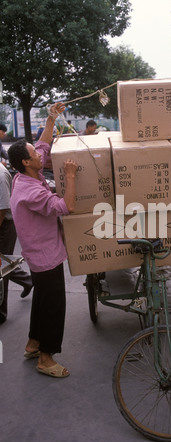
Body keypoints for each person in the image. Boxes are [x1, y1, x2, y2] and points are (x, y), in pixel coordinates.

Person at [8, 102, 78, 377]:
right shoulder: (31, 192)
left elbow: (44, 143)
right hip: (45, 256)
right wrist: (70, 176)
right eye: (32, 154)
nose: (39, 153)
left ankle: (33, 343)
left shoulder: (23, 176)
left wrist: (51, 117)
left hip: (38, 255)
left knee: (41, 300)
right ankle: (46, 359)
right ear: (27, 162)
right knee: (53, 305)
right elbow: (66, 207)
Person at [0, 162, 33, 324]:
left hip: (4, 225)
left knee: (1, 268)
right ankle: (27, 280)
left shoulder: (0, 174)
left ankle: (0, 312)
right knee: (3, 263)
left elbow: (2, 209)